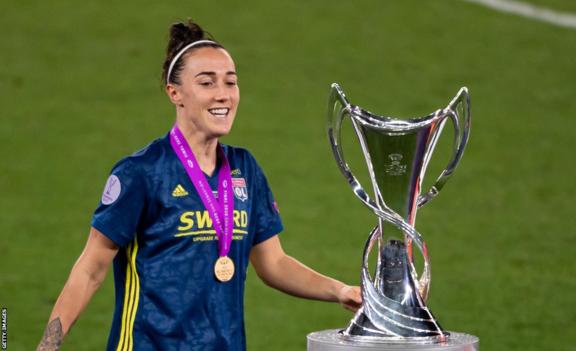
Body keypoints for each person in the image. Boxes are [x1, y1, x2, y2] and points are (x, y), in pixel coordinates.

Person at [36, 20, 361, 351]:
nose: (223, 94)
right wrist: (48, 346)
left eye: (230, 82)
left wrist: (339, 290)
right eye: (207, 83)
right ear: (174, 93)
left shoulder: (244, 169)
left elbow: (273, 263)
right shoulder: (142, 173)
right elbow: (91, 269)